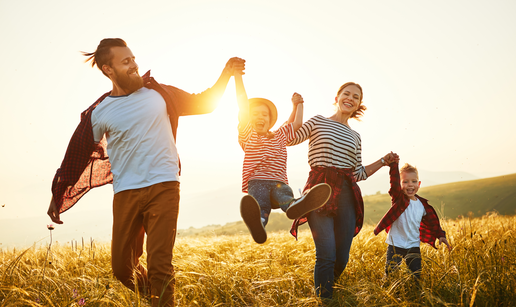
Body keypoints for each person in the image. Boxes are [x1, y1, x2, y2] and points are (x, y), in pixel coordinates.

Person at [46, 38, 245, 307]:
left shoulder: (159, 93)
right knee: (121, 269)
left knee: (160, 265)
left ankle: (161, 299)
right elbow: (77, 155)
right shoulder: (100, 111)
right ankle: (156, 297)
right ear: (108, 69)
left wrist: (226, 74)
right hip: (126, 193)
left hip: (163, 187)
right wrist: (58, 194)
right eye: (125, 61)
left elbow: (204, 103)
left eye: (133, 59)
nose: (134, 65)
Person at [287, 82, 397, 299]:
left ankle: (327, 289)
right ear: (337, 97)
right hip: (320, 190)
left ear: (358, 105)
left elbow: (358, 173)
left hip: (347, 193)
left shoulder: (356, 137)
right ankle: (324, 300)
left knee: (341, 257)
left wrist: (383, 161)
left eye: (356, 97)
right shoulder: (318, 121)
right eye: (346, 94)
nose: (350, 98)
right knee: (326, 253)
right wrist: (296, 107)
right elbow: (291, 138)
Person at [234, 74, 331, 244]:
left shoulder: (279, 135)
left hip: (279, 182)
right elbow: (242, 104)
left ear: (270, 120)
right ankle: (259, 225)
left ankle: (295, 207)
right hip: (257, 182)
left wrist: (299, 105)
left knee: (285, 195)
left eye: (264, 115)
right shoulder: (248, 135)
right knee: (260, 205)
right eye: (255, 114)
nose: (260, 117)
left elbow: (296, 124)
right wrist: (237, 78)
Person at [374, 161, 451, 281]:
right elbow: (393, 181)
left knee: (416, 276)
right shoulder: (399, 199)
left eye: (414, 181)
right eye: (405, 182)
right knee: (391, 274)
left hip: (413, 245)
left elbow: (433, 222)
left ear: (419, 184)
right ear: (399, 185)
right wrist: (394, 164)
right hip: (395, 245)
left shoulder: (422, 205)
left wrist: (440, 235)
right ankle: (386, 293)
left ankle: (416, 295)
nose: (410, 185)